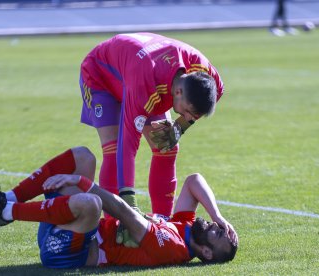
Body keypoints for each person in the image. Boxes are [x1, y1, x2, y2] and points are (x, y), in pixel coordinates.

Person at [0, 146, 238, 268]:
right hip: (72, 227)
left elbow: (124, 212)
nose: (216, 227)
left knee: (91, 202)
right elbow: (194, 181)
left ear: (206, 253)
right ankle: (11, 198)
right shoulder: (186, 228)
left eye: (218, 234)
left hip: (68, 253)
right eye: (222, 228)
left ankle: (5, 210)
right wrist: (218, 215)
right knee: (83, 156)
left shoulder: (174, 248)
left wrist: (82, 182)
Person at [79, 32, 225, 218]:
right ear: (178, 91)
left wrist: (180, 125)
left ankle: (163, 222)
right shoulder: (145, 84)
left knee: (167, 146)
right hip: (101, 75)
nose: (187, 116)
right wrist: (129, 203)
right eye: (187, 111)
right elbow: (128, 145)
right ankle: (114, 225)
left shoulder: (203, 71)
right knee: (114, 148)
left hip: (144, 71)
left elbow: (219, 90)